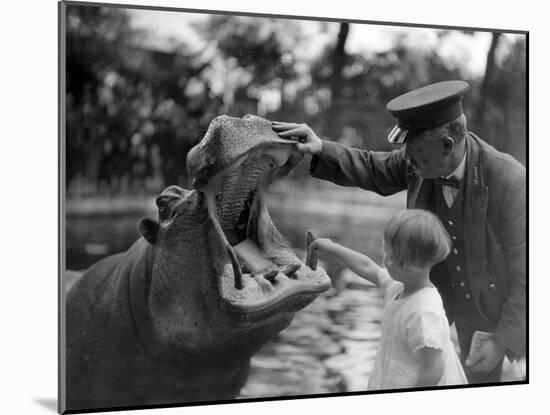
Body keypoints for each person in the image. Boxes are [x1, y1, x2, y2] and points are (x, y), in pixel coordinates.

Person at [272, 80, 526, 384]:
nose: (407, 159)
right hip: (426, 293)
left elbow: (530, 272)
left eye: (414, 151)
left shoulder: (510, 179)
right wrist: (319, 148)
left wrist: (502, 340)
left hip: (485, 308)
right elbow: (371, 166)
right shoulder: (418, 159)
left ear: (446, 144)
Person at [311, 209, 467, 390]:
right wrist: (332, 247)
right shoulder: (399, 285)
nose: (384, 258)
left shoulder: (424, 311)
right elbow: (366, 266)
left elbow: (433, 368)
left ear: (408, 263)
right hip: (393, 375)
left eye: (389, 254)